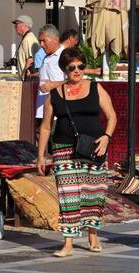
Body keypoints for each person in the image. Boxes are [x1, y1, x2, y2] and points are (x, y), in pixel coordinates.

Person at [37, 47, 116, 256]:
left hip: (94, 148)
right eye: (72, 67)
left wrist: (107, 137)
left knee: (93, 193)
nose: (77, 71)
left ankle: (92, 235)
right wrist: (41, 155)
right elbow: (45, 127)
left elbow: (112, 116)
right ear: (64, 69)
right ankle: (68, 243)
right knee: (67, 196)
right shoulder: (54, 94)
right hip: (63, 149)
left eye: (81, 66)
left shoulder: (95, 88)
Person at [34, 25, 62, 122]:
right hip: (41, 111)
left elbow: (76, 81)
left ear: (55, 40)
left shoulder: (64, 56)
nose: (41, 45)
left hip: (56, 114)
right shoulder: (46, 57)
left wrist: (54, 85)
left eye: (44, 41)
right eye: (40, 41)